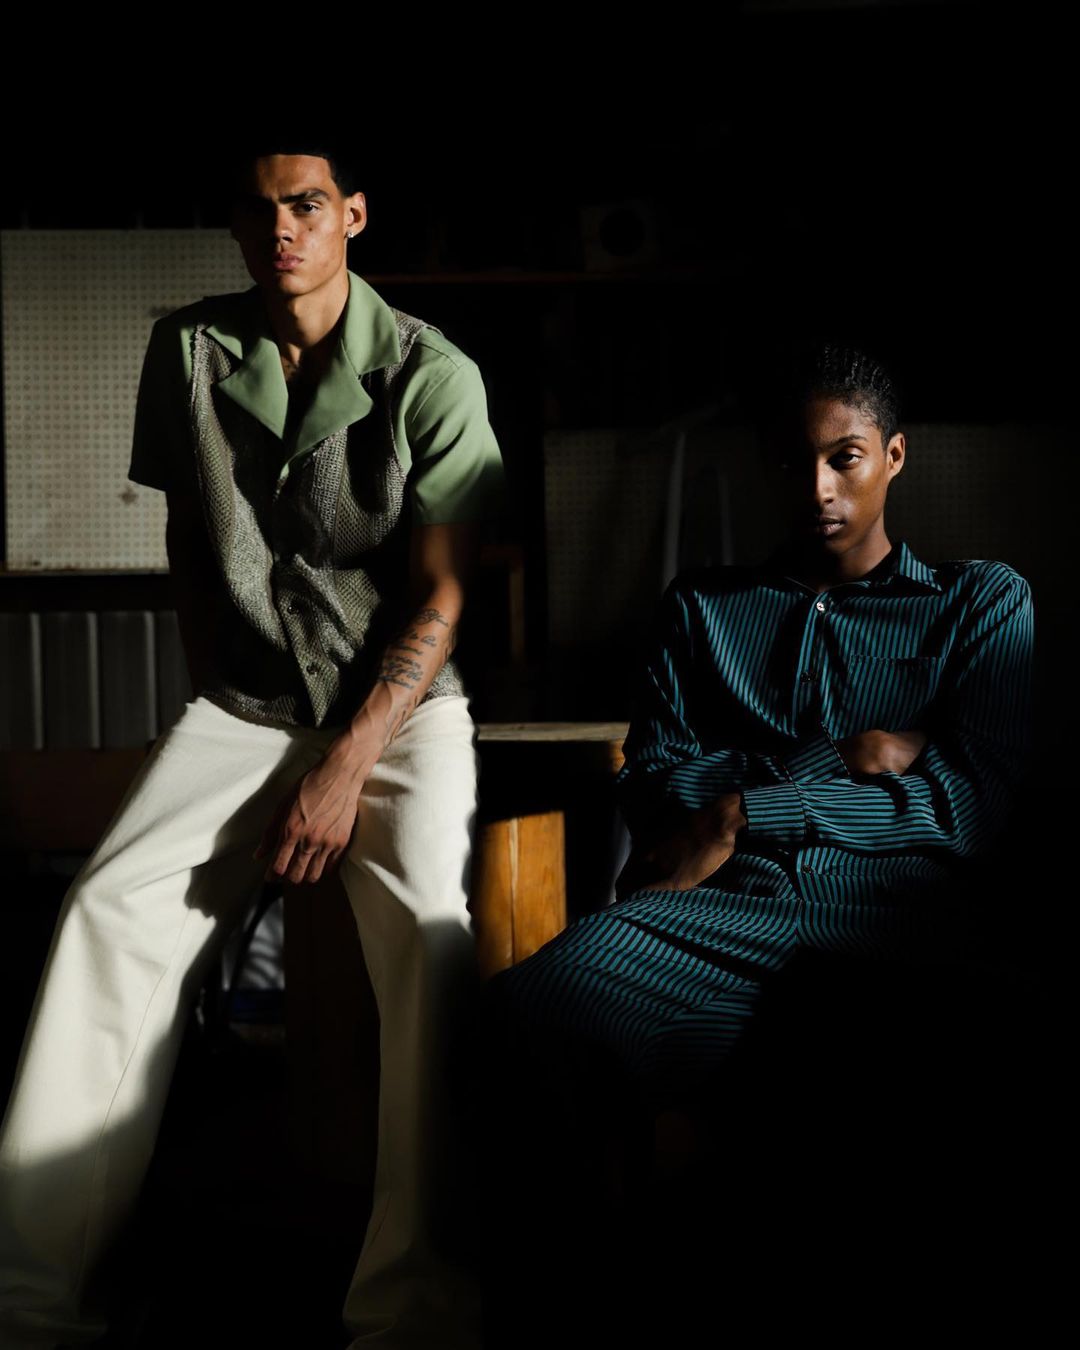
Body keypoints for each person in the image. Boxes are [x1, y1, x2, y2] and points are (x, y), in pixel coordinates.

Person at [0, 141, 504, 1349]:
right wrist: (210, 703)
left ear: (355, 215)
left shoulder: (433, 373)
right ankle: (31, 1303)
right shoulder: (187, 350)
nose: (283, 228)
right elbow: (190, 537)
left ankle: (413, 1311)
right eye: (261, 207)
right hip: (250, 704)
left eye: (307, 205)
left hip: (400, 710)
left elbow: (443, 596)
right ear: (235, 222)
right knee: (106, 912)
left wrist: (346, 765)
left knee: (431, 938)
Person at [475, 344, 1044, 1347]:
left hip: (884, 921)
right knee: (527, 1008)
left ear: (894, 456)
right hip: (713, 913)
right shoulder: (702, 611)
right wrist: (849, 759)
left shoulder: (982, 603)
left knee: (840, 1082)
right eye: (795, 460)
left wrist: (745, 808)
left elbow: (966, 808)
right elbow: (657, 784)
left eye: (845, 457)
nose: (819, 487)